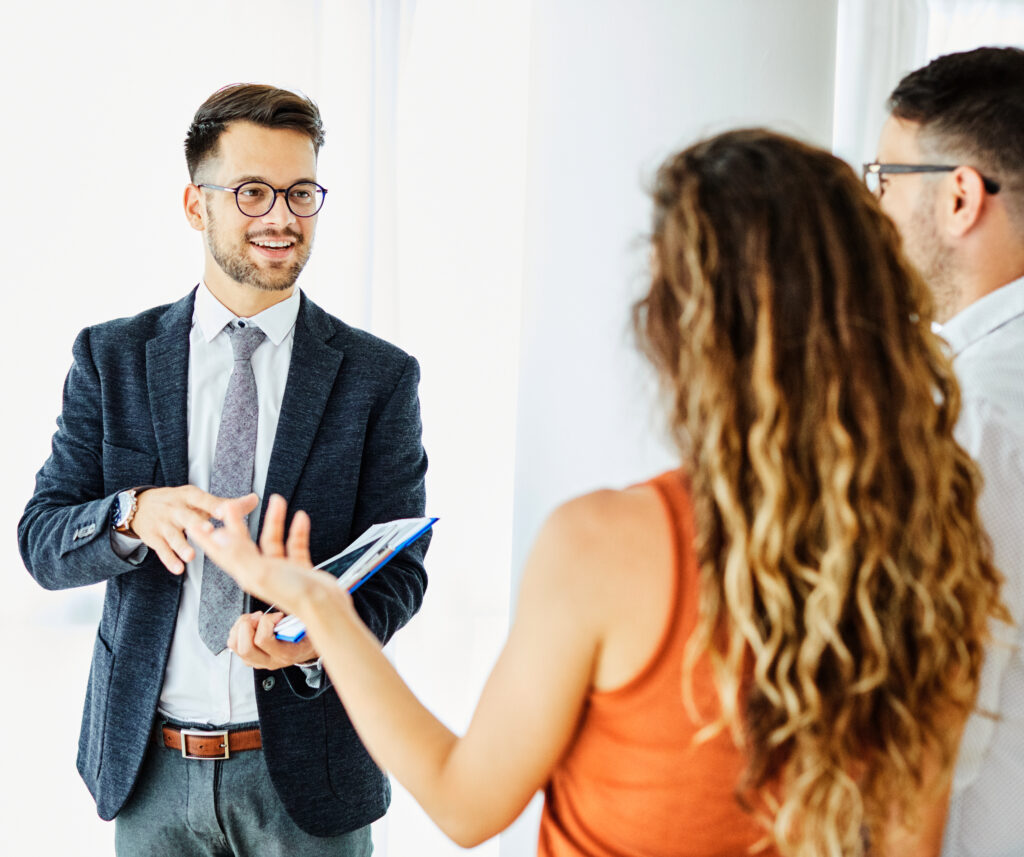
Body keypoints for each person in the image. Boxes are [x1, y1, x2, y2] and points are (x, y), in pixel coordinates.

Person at [192, 129, 1004, 857]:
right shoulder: (939, 559)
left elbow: (466, 803)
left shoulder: (609, 544)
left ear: (686, 328)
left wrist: (321, 607)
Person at [18, 83, 429, 857]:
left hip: (310, 775)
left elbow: (400, 571)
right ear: (194, 203)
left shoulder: (379, 377)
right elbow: (42, 541)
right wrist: (131, 514)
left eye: (301, 192)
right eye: (252, 191)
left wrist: (316, 637)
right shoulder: (111, 359)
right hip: (149, 771)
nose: (281, 216)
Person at [868, 47, 1024, 857]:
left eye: (886, 181)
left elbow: (922, 745)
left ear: (960, 196)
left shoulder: (968, 417)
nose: (876, 209)